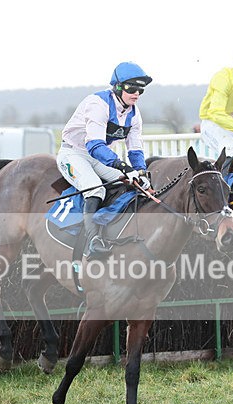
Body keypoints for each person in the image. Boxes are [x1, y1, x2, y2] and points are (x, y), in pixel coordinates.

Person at [56, 61, 152, 259]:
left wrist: (140, 171)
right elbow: (94, 145)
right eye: (131, 88)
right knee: (95, 188)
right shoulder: (98, 103)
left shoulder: (134, 114)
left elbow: (135, 149)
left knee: (132, 184)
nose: (136, 94)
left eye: (141, 90)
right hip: (74, 153)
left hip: (99, 158)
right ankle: (93, 241)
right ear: (117, 87)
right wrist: (123, 165)